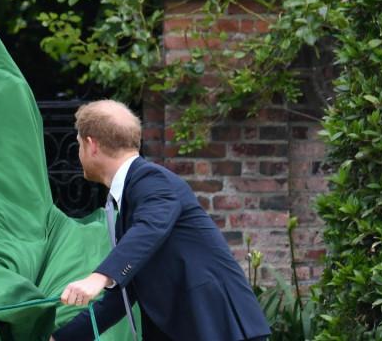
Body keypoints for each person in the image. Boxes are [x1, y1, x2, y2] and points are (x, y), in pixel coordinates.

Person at [52, 100, 270, 341]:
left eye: (79, 144)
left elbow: (150, 227)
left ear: (91, 145)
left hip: (220, 328)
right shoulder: (131, 193)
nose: (79, 152)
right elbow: (119, 300)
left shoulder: (152, 180)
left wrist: (98, 277)